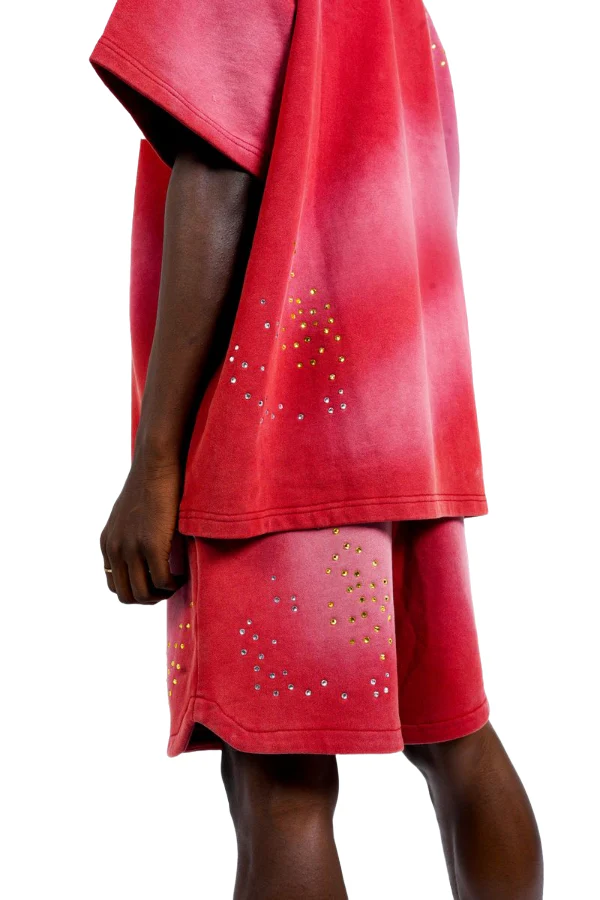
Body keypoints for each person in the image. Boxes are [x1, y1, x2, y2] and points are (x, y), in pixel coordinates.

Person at [90, 1, 543, 897]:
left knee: (277, 782)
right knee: (453, 736)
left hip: (277, 433)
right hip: (407, 426)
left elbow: (217, 168)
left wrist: (156, 462)